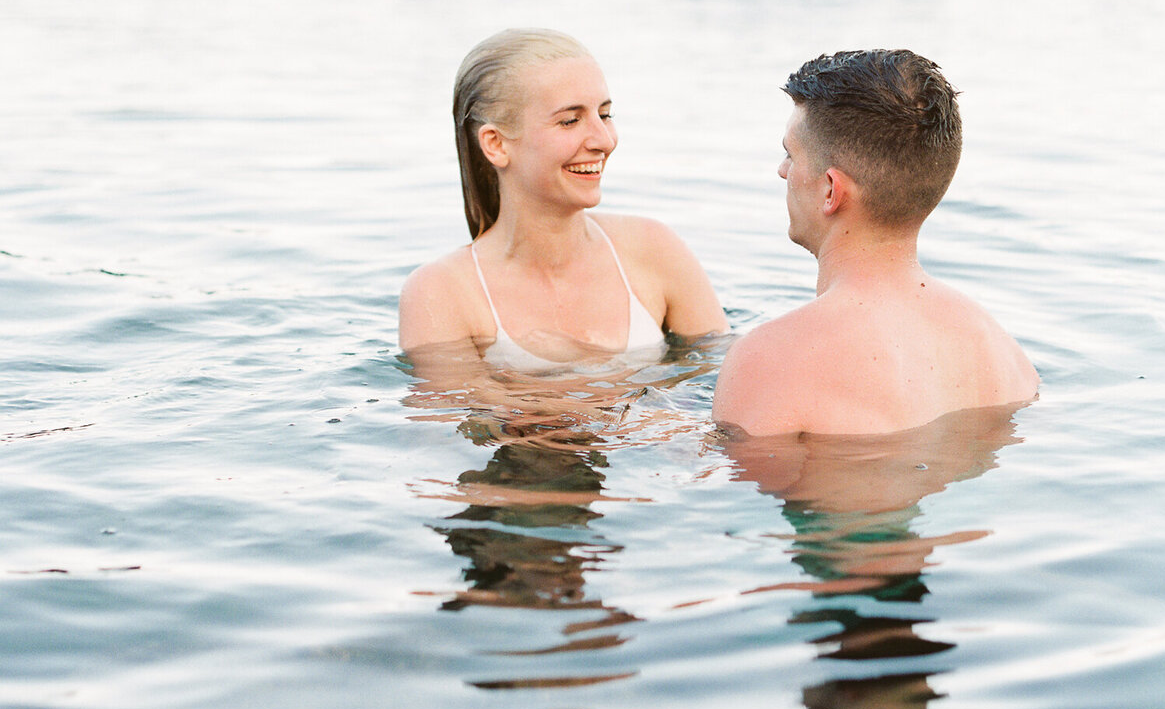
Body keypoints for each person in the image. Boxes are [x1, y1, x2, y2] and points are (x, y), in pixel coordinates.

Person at [713, 48, 1038, 438]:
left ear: (831, 190)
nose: (782, 171)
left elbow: (731, 485)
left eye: (790, 154)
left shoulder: (771, 359)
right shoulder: (1004, 353)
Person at [399, 28, 728, 374]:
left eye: (605, 115)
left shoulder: (655, 249)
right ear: (496, 144)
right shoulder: (441, 292)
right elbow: (447, 426)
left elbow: (724, 385)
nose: (604, 140)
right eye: (570, 121)